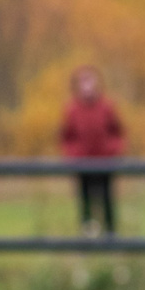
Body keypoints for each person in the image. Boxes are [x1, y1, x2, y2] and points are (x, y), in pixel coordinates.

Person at [59, 66, 125, 235]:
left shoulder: (107, 107)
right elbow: (66, 136)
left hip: (105, 163)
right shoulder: (71, 109)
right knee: (85, 200)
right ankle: (87, 235)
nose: (87, 85)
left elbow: (118, 132)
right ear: (78, 85)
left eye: (90, 80)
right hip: (82, 164)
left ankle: (110, 235)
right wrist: (73, 155)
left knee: (107, 199)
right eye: (83, 81)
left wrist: (112, 150)